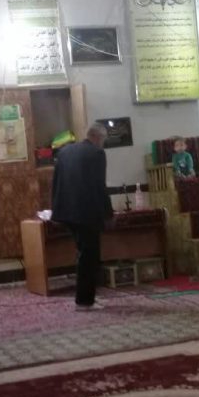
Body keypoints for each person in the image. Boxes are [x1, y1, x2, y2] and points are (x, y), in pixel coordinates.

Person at [52, 124, 115, 311]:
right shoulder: (97, 153)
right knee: (89, 257)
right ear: (98, 137)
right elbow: (99, 186)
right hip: (86, 213)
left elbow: (56, 182)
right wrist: (108, 214)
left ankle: (84, 298)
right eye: (103, 140)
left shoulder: (65, 152)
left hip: (67, 212)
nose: (103, 144)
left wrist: (56, 211)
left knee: (83, 254)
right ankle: (84, 301)